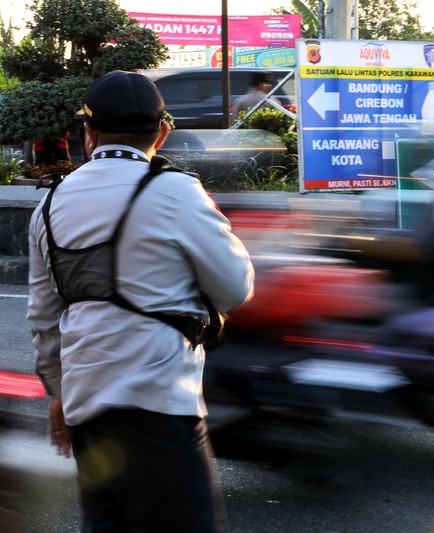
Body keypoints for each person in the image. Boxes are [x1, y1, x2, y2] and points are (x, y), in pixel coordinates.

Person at [27, 70, 255, 531]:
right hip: (159, 409)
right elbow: (236, 288)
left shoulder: (49, 206)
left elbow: (44, 318)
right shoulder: (175, 191)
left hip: (87, 413)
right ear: (162, 132)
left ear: (88, 134)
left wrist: (59, 392)